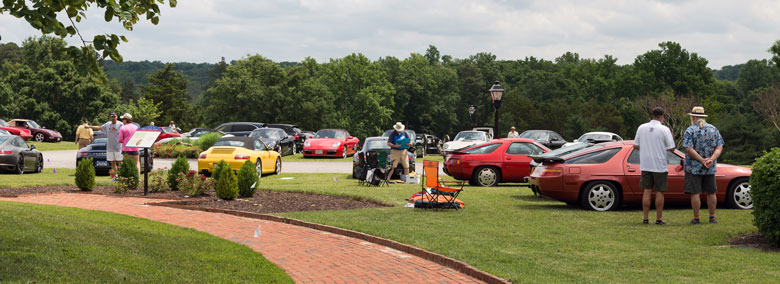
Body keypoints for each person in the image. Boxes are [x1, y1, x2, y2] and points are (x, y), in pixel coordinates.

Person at [633, 107, 676, 225]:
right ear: (662, 116)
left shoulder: (641, 127)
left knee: (647, 191)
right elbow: (672, 147)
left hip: (645, 164)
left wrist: (646, 148)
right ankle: (658, 219)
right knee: (659, 191)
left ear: (653, 115)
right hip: (659, 164)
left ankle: (645, 218)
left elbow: (635, 145)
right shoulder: (664, 129)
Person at [682, 106, 724, 225]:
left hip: (693, 167)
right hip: (709, 167)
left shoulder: (690, 130)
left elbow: (689, 149)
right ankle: (712, 217)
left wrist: (701, 160)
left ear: (693, 117)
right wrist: (711, 159)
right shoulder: (713, 129)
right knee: (711, 192)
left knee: (695, 193)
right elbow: (719, 147)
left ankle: (696, 218)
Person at [118, 113, 141, 177]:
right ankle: (137, 177)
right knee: (137, 163)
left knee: (127, 163)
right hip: (135, 147)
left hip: (126, 148)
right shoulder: (136, 127)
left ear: (126, 120)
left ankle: (128, 178)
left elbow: (120, 140)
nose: (122, 120)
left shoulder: (122, 128)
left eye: (123, 119)